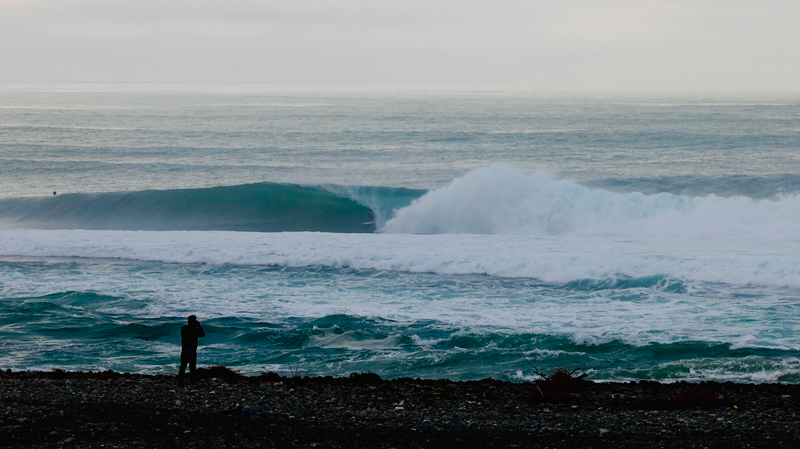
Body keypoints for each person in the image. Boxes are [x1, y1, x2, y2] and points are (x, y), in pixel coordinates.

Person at [177, 315, 205, 386]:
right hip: (192, 351)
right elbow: (202, 334)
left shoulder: (184, 328)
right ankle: (193, 382)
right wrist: (199, 326)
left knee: (182, 367)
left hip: (184, 351)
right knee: (192, 368)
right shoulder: (195, 329)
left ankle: (180, 382)